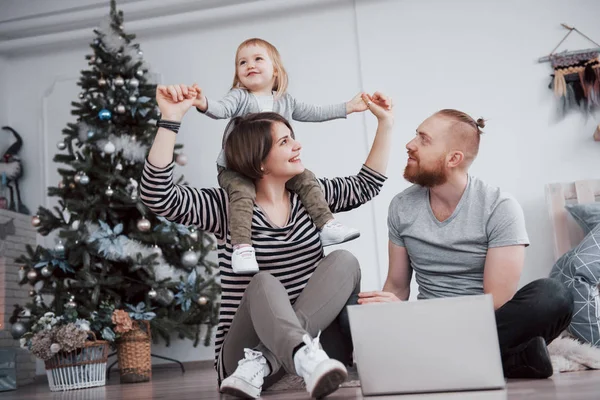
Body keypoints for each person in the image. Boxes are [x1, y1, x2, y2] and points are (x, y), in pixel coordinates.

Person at [141, 83, 394, 398]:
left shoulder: (312, 198)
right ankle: (277, 358)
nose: (298, 146)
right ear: (258, 161)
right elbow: (158, 196)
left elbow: (365, 185)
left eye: (293, 138)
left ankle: (281, 358)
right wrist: (170, 119)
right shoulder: (225, 207)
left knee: (344, 261)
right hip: (240, 359)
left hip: (316, 356)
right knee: (262, 282)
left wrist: (385, 123)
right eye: (285, 141)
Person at [358, 109, 574, 379]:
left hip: (479, 322)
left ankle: (439, 358)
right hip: (422, 325)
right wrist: (384, 310)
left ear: (453, 158)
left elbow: (494, 302)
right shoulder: (402, 206)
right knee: (351, 314)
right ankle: (511, 360)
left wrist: (429, 323)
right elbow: (398, 287)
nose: (410, 145)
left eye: (423, 139)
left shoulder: (499, 207)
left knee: (554, 295)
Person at [191, 38, 369, 274]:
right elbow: (221, 109)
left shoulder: (284, 101)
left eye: (257, 59)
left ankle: (325, 224)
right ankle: (242, 248)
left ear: (275, 70)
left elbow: (314, 112)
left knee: (307, 179)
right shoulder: (240, 96)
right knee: (242, 193)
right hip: (237, 168)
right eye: (242, 62)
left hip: (274, 169)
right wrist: (202, 102)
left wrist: (348, 107)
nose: (249, 65)